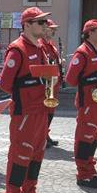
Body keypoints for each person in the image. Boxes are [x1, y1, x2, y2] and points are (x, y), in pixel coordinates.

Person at [0, 7, 57, 193]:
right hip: (24, 113)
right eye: (40, 22)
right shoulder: (18, 49)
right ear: (27, 24)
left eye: (45, 22)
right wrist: (31, 83)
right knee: (19, 157)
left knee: (36, 156)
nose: (45, 26)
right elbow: (5, 84)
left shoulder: (41, 47)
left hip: (40, 110)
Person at [64, 19, 97, 188]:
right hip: (89, 102)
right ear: (90, 32)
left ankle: (90, 169)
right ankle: (83, 174)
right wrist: (94, 80)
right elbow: (70, 79)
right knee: (85, 137)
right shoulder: (82, 53)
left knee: (95, 136)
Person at [41, 19, 62, 148]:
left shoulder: (51, 45)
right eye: (51, 29)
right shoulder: (41, 45)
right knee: (45, 111)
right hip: (47, 83)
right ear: (45, 29)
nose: (54, 31)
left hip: (55, 83)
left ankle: (45, 134)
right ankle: (42, 136)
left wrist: (60, 62)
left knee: (51, 111)